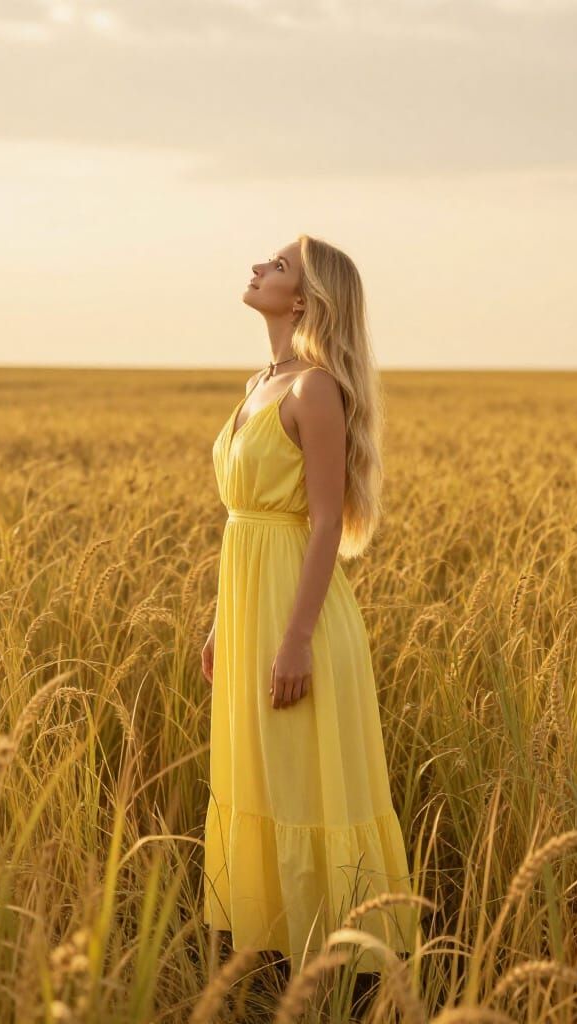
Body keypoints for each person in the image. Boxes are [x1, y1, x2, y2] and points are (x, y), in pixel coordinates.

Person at [200, 235, 419, 988]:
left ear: (303, 299)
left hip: (301, 619)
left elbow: (326, 522)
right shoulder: (263, 380)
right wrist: (223, 624)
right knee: (261, 778)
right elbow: (249, 522)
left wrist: (294, 640)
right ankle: (275, 968)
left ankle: (345, 981)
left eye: (279, 265)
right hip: (253, 607)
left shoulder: (314, 389)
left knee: (304, 781)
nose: (259, 266)